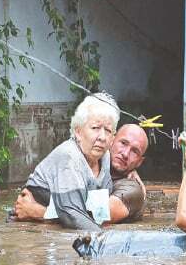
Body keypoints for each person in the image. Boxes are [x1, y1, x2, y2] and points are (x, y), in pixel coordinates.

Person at [16, 92, 119, 231]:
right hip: (29, 228)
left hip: (50, 220)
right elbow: (72, 215)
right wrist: (106, 242)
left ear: (113, 137)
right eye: (95, 128)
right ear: (78, 132)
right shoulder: (69, 155)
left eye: (108, 130)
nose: (102, 137)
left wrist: (132, 172)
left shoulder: (105, 157)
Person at [15, 123, 149, 225]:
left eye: (134, 151)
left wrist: (37, 212)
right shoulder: (90, 162)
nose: (125, 153)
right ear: (111, 140)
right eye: (123, 143)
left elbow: (96, 218)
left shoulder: (132, 190)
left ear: (139, 162)